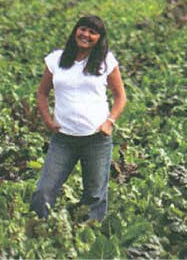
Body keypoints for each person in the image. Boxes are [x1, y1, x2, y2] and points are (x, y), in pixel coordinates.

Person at [30, 15, 127, 221]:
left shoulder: (106, 61)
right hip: (63, 139)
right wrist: (47, 120)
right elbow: (42, 93)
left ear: (99, 38)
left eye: (93, 32)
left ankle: (87, 238)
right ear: (76, 31)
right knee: (43, 191)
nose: (86, 35)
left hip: (96, 139)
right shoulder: (56, 59)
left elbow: (120, 97)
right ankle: (38, 231)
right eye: (83, 29)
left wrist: (110, 122)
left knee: (94, 195)